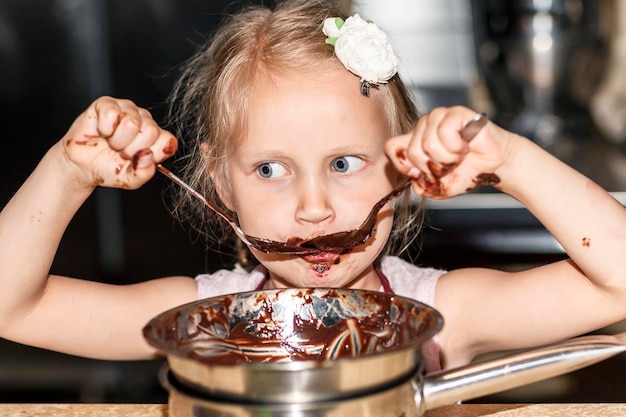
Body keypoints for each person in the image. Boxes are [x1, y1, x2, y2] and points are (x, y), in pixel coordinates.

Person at [1, 0, 626, 374]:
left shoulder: (441, 316)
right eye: (270, 169)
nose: (313, 208)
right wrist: (67, 171)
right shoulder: (200, 321)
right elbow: (10, 306)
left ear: (403, 163)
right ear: (220, 182)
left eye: (344, 163)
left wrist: (510, 161)